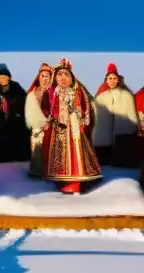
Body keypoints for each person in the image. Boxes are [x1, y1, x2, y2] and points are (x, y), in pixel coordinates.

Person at [41, 58, 102, 194]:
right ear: (55, 78)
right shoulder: (52, 92)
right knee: (59, 156)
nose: (63, 78)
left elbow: (86, 108)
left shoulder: (77, 91)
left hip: (74, 127)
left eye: (66, 75)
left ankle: (76, 184)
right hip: (57, 128)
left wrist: (78, 116)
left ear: (71, 78)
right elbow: (45, 107)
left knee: (76, 155)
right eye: (60, 75)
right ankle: (62, 181)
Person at [93, 62, 142, 168]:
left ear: (118, 80)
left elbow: (132, 115)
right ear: (106, 80)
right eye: (110, 79)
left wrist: (134, 128)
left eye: (114, 79)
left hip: (122, 136)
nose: (112, 81)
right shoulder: (101, 96)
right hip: (103, 139)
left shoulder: (126, 95)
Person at [25, 63, 53, 177]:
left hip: (52, 126)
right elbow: (29, 113)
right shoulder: (32, 94)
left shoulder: (55, 92)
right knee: (37, 148)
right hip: (38, 128)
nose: (45, 79)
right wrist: (39, 124)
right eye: (43, 76)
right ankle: (37, 171)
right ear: (39, 77)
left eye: (47, 76)